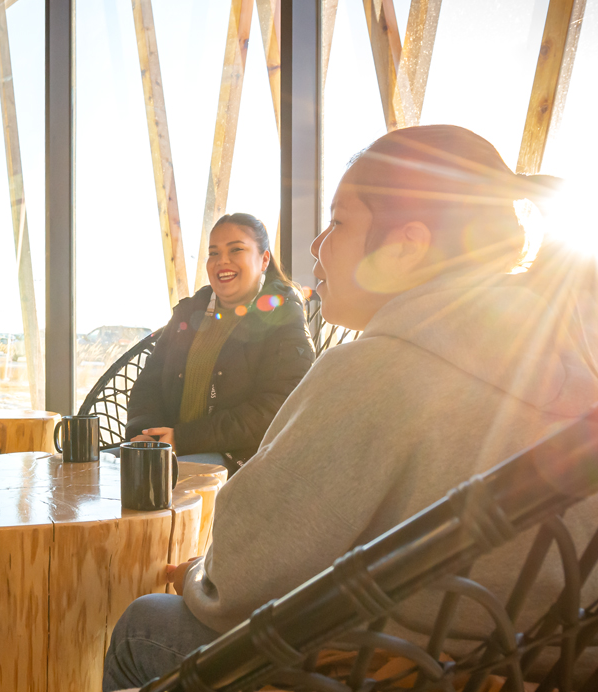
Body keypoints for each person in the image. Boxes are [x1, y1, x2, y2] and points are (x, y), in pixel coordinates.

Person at [103, 125, 598, 691]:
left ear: (408, 245)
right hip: (528, 671)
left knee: (146, 624)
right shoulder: (574, 361)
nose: (316, 246)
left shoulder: (373, 372)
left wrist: (198, 575)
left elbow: (235, 587)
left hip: (382, 671)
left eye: (338, 221)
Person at [124, 214, 314, 473]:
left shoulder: (282, 315)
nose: (222, 261)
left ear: (264, 260)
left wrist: (184, 438)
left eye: (236, 249)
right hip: (171, 450)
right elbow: (148, 385)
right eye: (213, 253)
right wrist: (147, 436)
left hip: (242, 460)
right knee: (91, 471)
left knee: (149, 481)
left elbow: (277, 406)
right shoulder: (189, 313)